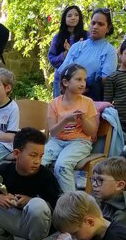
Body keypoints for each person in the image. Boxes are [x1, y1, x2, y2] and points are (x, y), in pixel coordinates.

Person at [42, 63, 98, 193]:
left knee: (62, 166)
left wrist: (83, 119)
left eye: (84, 80)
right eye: (78, 79)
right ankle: (44, 194)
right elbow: (53, 132)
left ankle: (71, 201)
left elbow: (92, 132)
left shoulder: (88, 102)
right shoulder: (54, 103)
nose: (83, 83)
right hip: (57, 140)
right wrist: (66, 120)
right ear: (65, 82)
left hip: (80, 142)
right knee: (37, 161)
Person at [60, 8, 118, 100]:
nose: (95, 27)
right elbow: (63, 72)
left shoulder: (110, 51)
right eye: (93, 23)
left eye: (100, 24)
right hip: (69, 98)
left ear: (108, 28)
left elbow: (106, 80)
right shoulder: (76, 47)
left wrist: (84, 88)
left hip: (93, 100)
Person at [48, 5, 88, 97]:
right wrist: (65, 55)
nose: (73, 18)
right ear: (64, 19)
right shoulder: (58, 38)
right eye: (69, 16)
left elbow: (89, 57)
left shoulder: (87, 36)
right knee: (60, 104)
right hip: (61, 79)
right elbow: (52, 59)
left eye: (76, 15)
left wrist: (74, 50)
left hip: (81, 79)